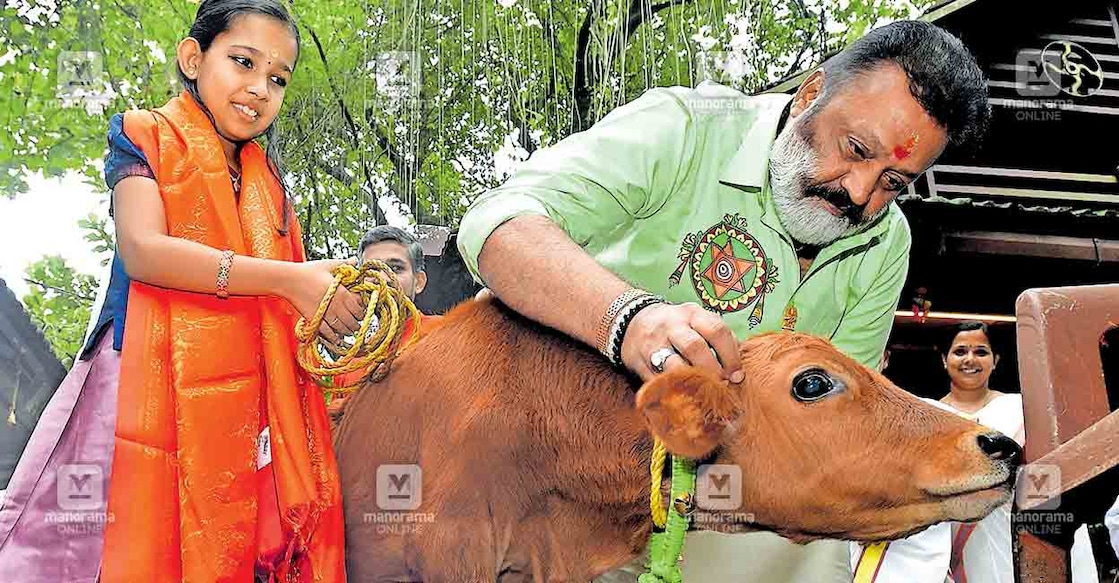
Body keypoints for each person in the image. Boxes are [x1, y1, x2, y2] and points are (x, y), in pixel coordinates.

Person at [457, 19, 990, 583]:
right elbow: (498, 227)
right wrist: (629, 320)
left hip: (743, 518)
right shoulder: (686, 129)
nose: (859, 193)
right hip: (567, 496)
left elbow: (841, 425)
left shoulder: (887, 243)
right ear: (810, 93)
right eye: (856, 150)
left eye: (892, 182)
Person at [0, 1, 358, 581]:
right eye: (243, 62)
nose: (259, 88)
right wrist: (289, 279)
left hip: (241, 399)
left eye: (278, 78)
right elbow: (145, 251)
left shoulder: (270, 187)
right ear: (193, 57)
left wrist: (325, 292)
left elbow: (288, 300)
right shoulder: (143, 135)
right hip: (137, 376)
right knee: (104, 546)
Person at [850, 322, 1098, 583]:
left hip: (1011, 536)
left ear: (995, 360)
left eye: (981, 352)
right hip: (939, 545)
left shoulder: (1024, 410)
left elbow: (1050, 484)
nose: (970, 359)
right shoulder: (923, 415)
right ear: (945, 360)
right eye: (960, 352)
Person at [326, 225, 440, 425]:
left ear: (419, 282)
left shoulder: (449, 334)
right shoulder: (349, 364)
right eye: (373, 270)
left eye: (396, 268)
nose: (384, 278)